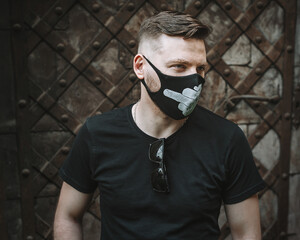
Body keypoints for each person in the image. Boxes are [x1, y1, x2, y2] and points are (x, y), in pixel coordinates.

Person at [54, 11, 265, 239]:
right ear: (140, 67)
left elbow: (247, 233)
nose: (194, 80)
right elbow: (68, 215)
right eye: (179, 66)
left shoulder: (226, 139)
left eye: (200, 68)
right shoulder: (97, 134)